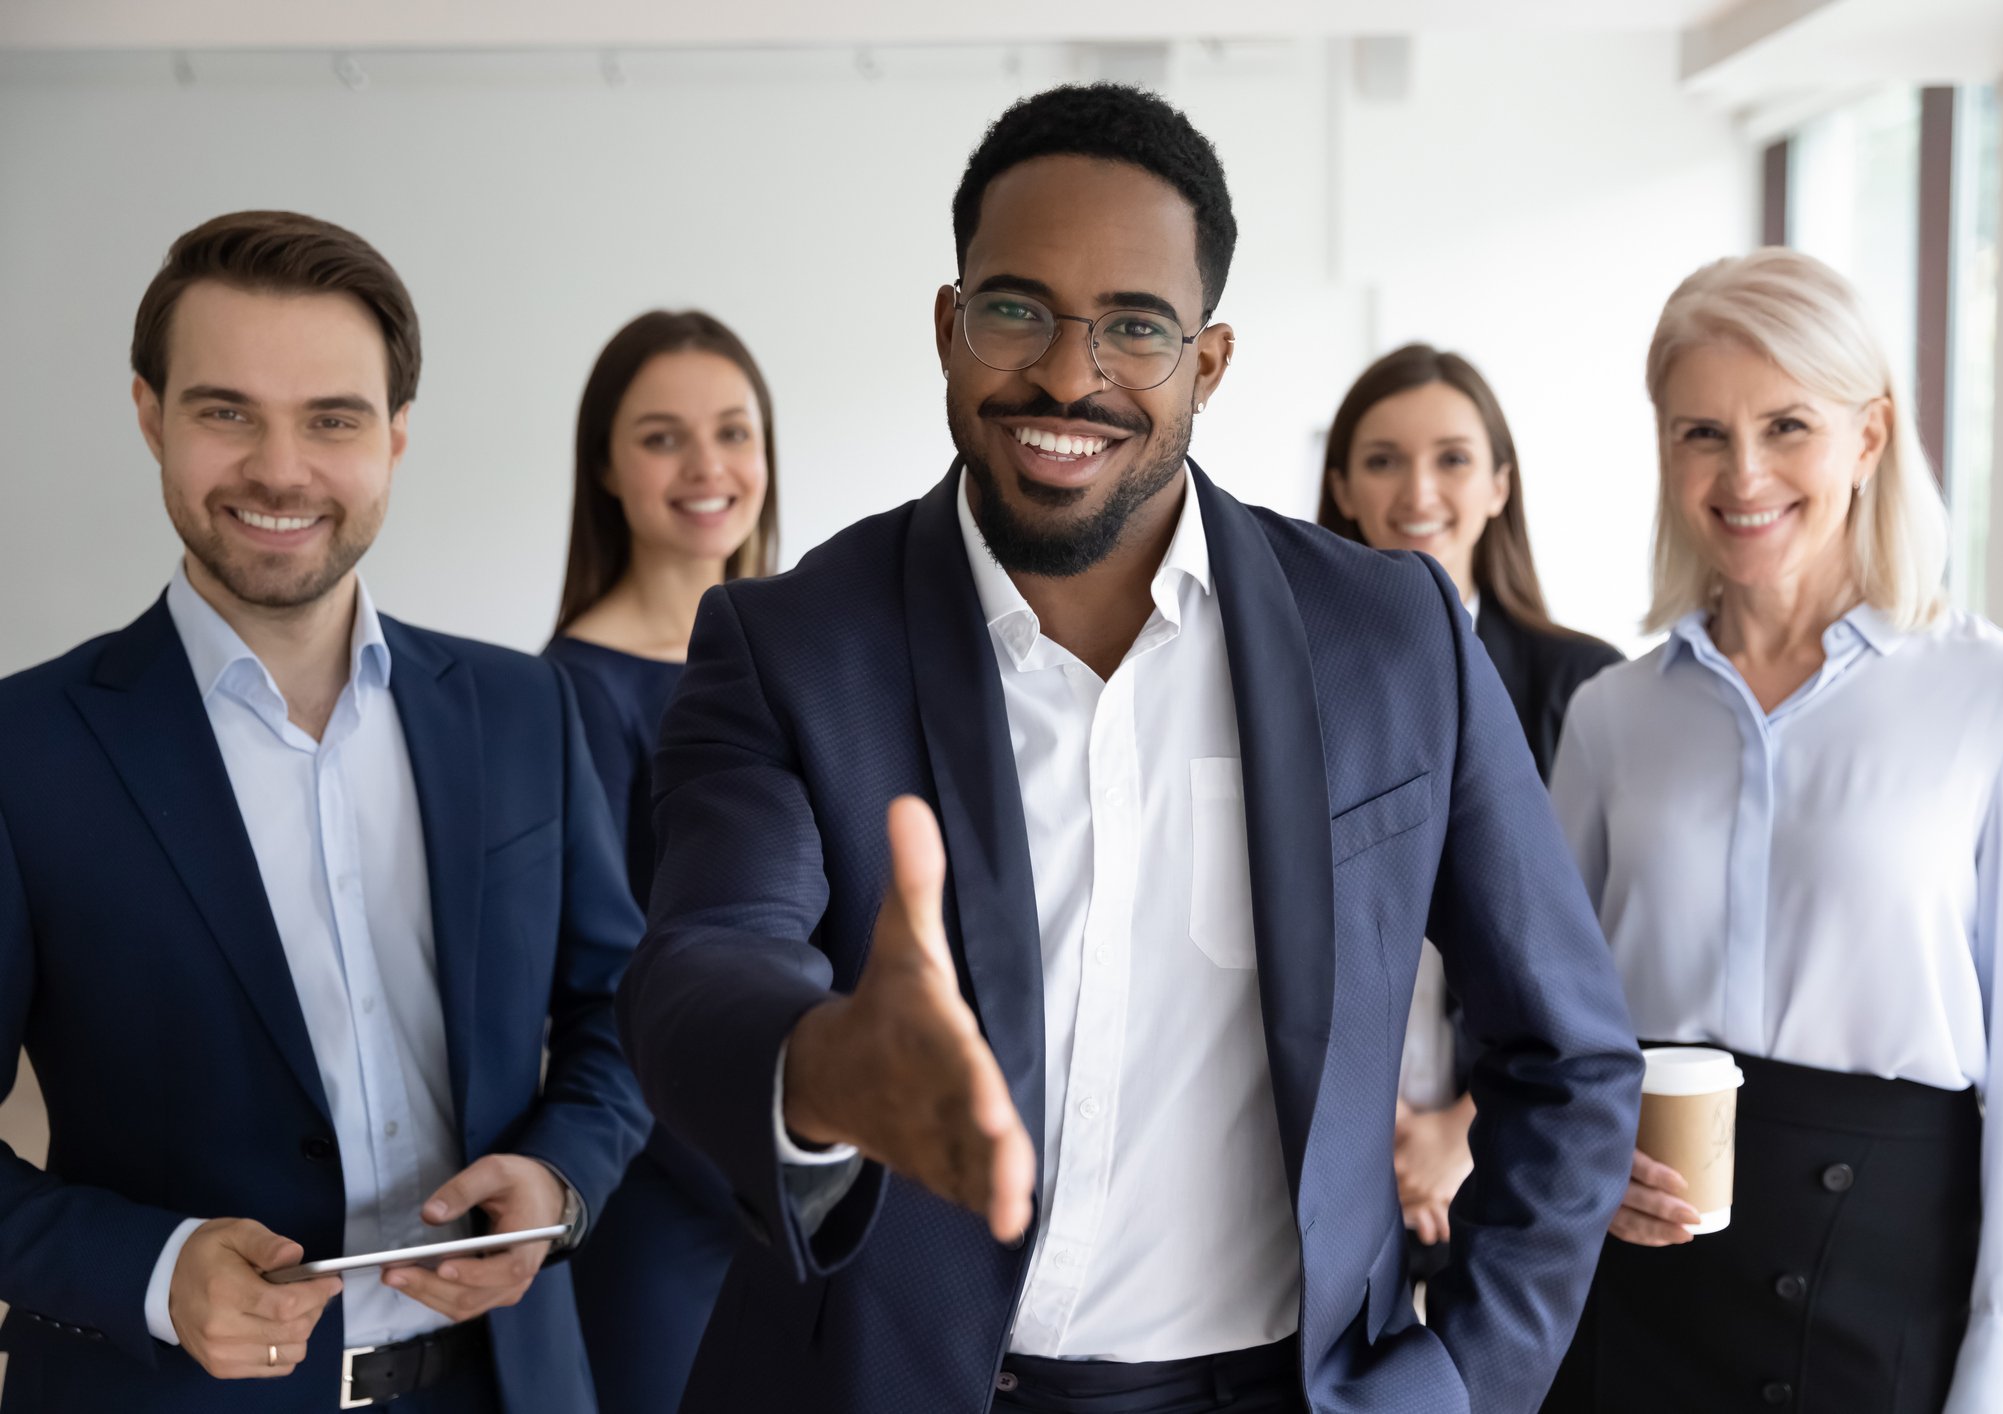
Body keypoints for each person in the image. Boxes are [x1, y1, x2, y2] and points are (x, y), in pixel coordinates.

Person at [620, 83, 1643, 1414]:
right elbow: (698, 961)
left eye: (1134, 328)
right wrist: (820, 1068)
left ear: (1206, 363)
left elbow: (1567, 1055)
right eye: (1016, 310)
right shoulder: (788, 641)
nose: (1065, 372)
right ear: (948, 324)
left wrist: (1455, 1382)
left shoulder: (1390, 636)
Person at [0, 211, 650, 1412]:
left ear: (396, 437)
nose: (281, 468)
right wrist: (147, 1270)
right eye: (225, 410)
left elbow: (624, 1007)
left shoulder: (524, 708)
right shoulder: (22, 749)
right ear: (150, 415)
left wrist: (562, 1179)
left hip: (509, 1386)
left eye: (333, 418)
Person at [1542, 248, 2003, 1412]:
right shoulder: (1612, 716)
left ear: (1870, 436)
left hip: (1880, 1292)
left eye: (1788, 425)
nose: (1743, 473)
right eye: (1701, 432)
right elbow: (1544, 1021)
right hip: (1634, 1287)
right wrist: (1582, 1174)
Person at [1316, 343, 1623, 1284]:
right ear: (1341, 488)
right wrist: (1373, 1130)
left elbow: (1600, 947)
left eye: (1451, 457)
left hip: (1515, 1153)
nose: (1419, 489)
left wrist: (1460, 1129)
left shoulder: (1585, 688)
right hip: (1325, 1153)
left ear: (1498, 484)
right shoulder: (1284, 686)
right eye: (1382, 459)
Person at [546, 309, 778, 1414]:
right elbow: (617, 997)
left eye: (734, 431)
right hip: (679, 1199)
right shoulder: (570, 697)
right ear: (605, 466)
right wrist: (778, 1184)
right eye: (661, 436)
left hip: (815, 1171)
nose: (707, 467)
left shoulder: (810, 662)